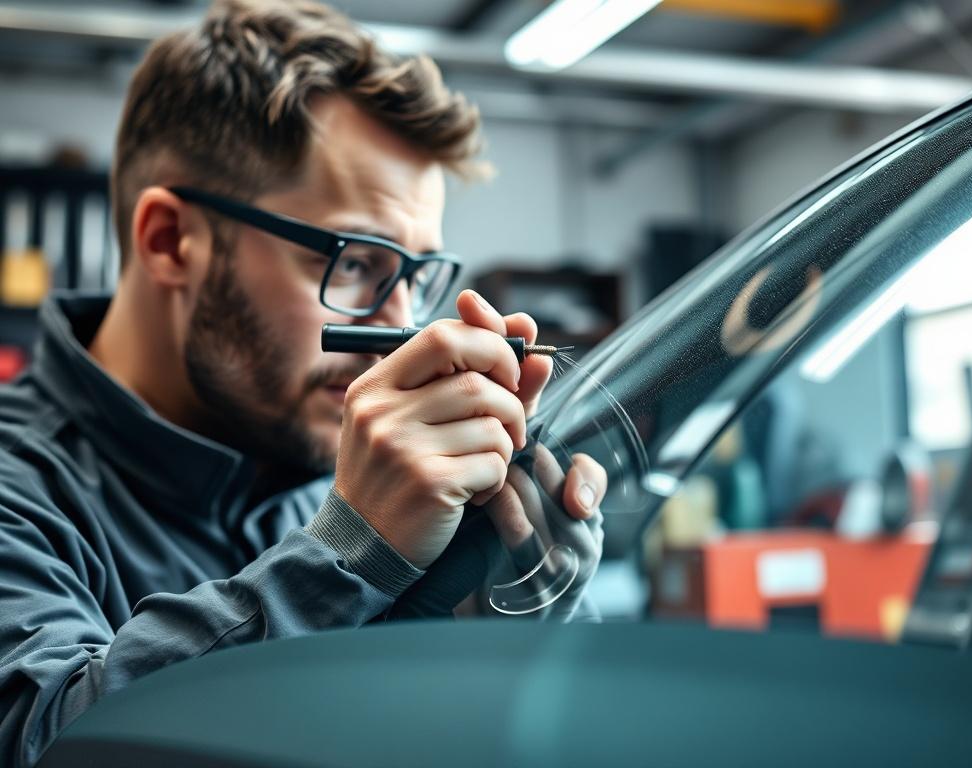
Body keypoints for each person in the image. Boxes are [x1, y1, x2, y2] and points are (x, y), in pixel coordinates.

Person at [0, 1, 607, 765]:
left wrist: (479, 633)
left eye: (416, 278)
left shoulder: (325, 475)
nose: (400, 330)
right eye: (354, 263)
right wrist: (350, 552)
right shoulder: (16, 491)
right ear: (170, 240)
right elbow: (49, 748)